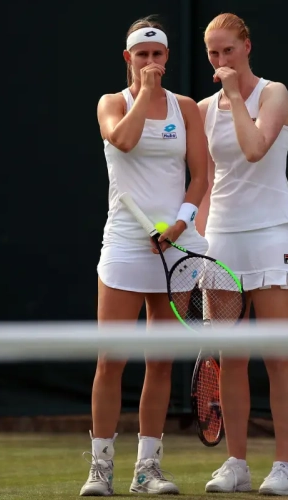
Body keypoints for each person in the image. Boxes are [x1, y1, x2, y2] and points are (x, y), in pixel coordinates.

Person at [80, 16, 210, 496]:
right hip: (125, 244)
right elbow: (125, 140)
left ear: (168, 58)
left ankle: (147, 469)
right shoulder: (112, 104)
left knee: (160, 361)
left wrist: (178, 225)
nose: (151, 63)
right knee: (110, 359)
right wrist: (144, 92)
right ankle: (101, 468)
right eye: (142, 55)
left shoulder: (188, 108)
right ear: (128, 58)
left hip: (175, 244)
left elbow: (201, 175)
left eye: (158, 56)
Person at [196, 12, 288, 496]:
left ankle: (283, 467)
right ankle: (236, 463)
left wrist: (236, 95)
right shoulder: (200, 109)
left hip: (271, 233)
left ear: (247, 48)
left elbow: (256, 147)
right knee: (229, 358)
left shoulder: (274, 93)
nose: (221, 61)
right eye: (213, 54)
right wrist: (196, 245)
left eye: (228, 52)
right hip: (221, 238)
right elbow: (202, 184)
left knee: (278, 354)